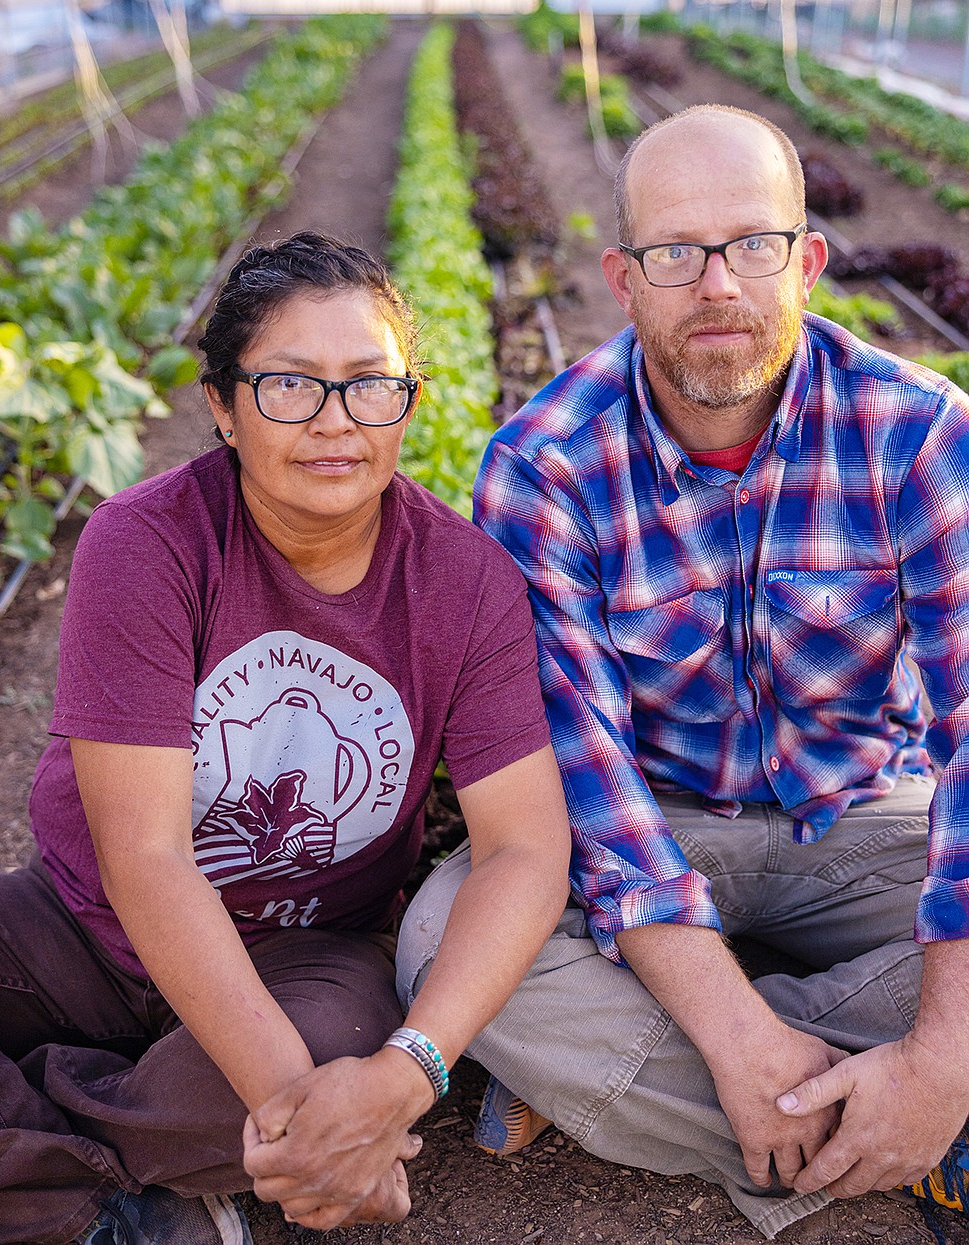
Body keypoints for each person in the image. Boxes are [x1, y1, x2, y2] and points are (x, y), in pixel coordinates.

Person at [397, 105, 969, 1239]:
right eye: (675, 254)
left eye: (752, 245)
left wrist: (946, 1050)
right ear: (622, 278)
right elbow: (591, 783)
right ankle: (886, 1127)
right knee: (441, 947)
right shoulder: (546, 468)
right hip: (658, 827)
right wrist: (737, 1031)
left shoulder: (919, 432)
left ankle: (672, 1078)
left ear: (806, 261)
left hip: (863, 820)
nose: (717, 286)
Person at [0, 231, 570, 1245]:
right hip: (83, 929)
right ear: (222, 406)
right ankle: (128, 1192)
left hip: (302, 960)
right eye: (290, 386)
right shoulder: (148, 541)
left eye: (369, 386)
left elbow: (525, 847)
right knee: (291, 1103)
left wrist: (401, 1078)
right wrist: (330, 1140)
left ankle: (34, 1150)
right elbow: (148, 860)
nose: (336, 423)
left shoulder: (464, 582)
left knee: (340, 1048)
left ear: (407, 402)